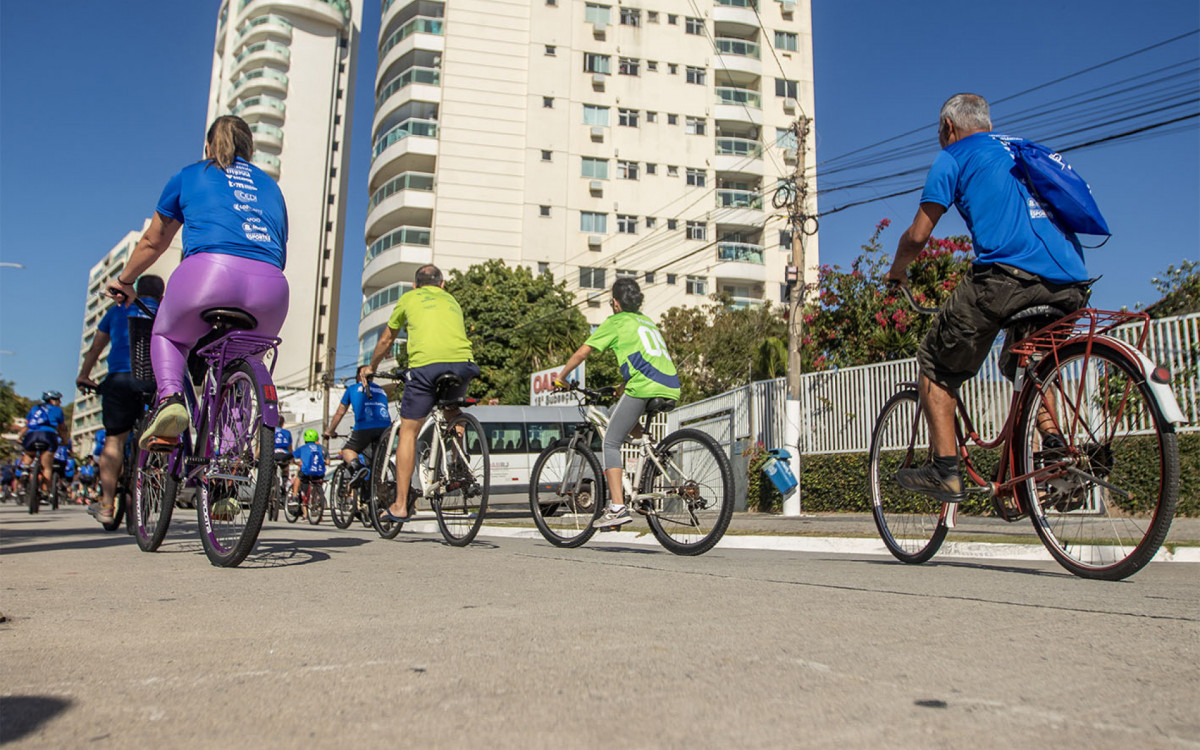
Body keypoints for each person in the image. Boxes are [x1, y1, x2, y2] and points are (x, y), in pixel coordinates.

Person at [884, 93, 1092, 503]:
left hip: (1007, 279)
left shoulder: (954, 156)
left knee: (935, 365)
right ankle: (1055, 455)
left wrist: (897, 270)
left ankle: (946, 472)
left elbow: (919, 234)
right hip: (1071, 283)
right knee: (1027, 361)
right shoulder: (1018, 149)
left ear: (948, 128)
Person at [104, 115, 289, 453]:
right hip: (271, 288)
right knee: (237, 375)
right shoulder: (271, 187)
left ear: (208, 145)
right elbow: (280, 250)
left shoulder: (190, 175)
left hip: (208, 275)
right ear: (251, 151)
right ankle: (227, 465)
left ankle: (171, 401)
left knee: (168, 336)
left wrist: (125, 280)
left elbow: (153, 241)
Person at [555, 278, 680, 529]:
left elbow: (582, 352)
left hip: (643, 387)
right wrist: (619, 388)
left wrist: (561, 376)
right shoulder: (646, 321)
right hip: (671, 385)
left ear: (615, 302)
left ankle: (617, 507)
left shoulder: (615, 322)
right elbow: (647, 360)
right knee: (615, 414)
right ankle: (650, 454)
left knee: (610, 441)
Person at [362, 264, 479, 523]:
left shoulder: (409, 298)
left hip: (426, 368)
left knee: (408, 432)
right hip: (463, 364)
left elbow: (386, 339)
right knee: (451, 410)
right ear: (442, 285)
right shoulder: (452, 300)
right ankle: (459, 461)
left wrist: (371, 367)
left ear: (415, 285)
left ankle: (401, 505)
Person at [78, 275, 165, 524]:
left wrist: (84, 375)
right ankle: (141, 488)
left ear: (135, 290)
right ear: (161, 296)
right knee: (150, 436)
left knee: (115, 440)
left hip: (120, 378)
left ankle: (106, 505)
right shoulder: (163, 310)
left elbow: (96, 348)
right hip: (153, 381)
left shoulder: (118, 311)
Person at [324, 365, 392, 491]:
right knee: (379, 464)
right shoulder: (381, 390)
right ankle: (380, 497)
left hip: (364, 428)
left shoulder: (352, 389)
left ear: (358, 376)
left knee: (347, 450)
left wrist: (330, 431)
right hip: (386, 429)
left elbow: (340, 412)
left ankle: (359, 468)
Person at [17, 392, 69, 497]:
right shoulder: (58, 410)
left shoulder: (35, 408)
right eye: (58, 400)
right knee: (47, 466)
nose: (60, 402)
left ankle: (26, 469)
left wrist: (20, 436)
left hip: (32, 434)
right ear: (52, 400)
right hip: (48, 435)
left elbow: (28, 424)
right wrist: (65, 440)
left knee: (29, 453)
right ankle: (45, 493)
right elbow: (62, 428)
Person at [289, 429, 327, 516]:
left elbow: (292, 456)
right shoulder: (321, 448)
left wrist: (295, 462)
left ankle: (294, 497)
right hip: (320, 472)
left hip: (307, 472)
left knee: (298, 478)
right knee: (316, 483)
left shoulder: (303, 448)